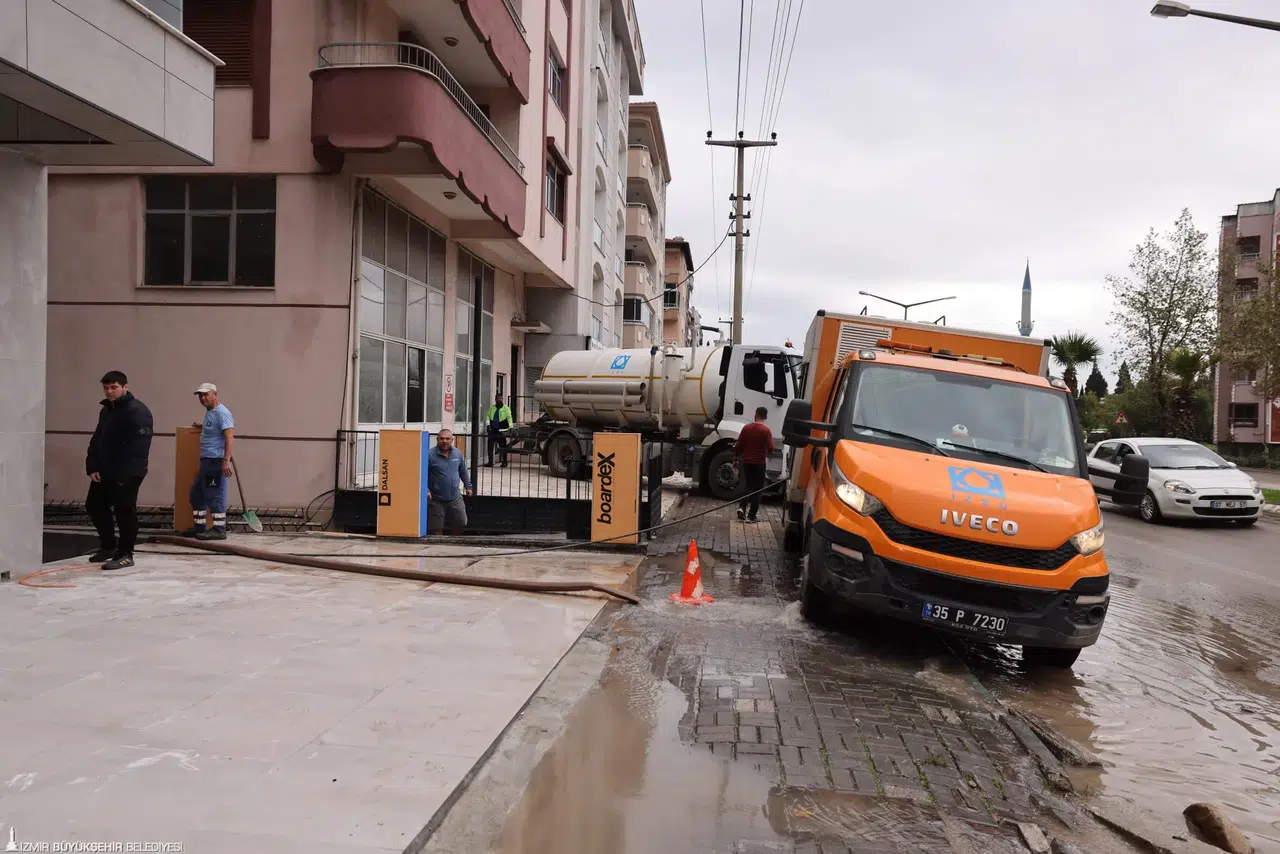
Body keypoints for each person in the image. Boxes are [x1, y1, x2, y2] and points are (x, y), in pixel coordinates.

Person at [85, 371, 154, 570]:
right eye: (106, 388)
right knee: (94, 505)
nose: (109, 392)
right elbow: (97, 440)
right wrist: (92, 466)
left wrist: (126, 474)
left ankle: (125, 554)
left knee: (125, 512)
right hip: (105, 471)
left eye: (114, 387)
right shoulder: (107, 410)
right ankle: (108, 546)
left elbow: (139, 446)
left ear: (125, 387)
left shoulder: (137, 411)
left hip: (127, 473)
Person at [182, 382, 235, 540]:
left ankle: (219, 529)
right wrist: (202, 426)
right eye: (200, 395)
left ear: (215, 394)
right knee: (197, 494)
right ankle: (199, 527)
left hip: (215, 461)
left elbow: (229, 437)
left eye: (206, 394)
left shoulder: (222, 413)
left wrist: (226, 460)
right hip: (206, 461)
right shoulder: (210, 412)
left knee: (214, 495)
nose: (203, 398)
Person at [734, 406, 775, 524]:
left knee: (747, 485)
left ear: (756, 414)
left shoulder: (746, 428)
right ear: (766, 417)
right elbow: (771, 448)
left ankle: (742, 507)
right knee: (757, 489)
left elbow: (739, 445)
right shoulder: (766, 431)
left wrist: (735, 458)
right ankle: (752, 516)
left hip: (747, 462)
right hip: (759, 463)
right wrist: (767, 452)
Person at [427, 429, 473, 535]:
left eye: (447, 438)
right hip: (436, 499)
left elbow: (463, 471)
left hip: (455, 497)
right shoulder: (430, 455)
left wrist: (468, 486)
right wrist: (426, 490)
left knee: (461, 522)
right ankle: (438, 547)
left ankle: (455, 542)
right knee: (435, 527)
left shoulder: (457, 453)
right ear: (437, 439)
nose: (445, 441)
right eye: (442, 438)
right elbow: (422, 474)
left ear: (452, 440)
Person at [484, 393, 514, 467]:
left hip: (501, 431)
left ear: (502, 399)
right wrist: (488, 425)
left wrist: (510, 427)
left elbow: (509, 418)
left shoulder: (506, 408)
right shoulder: (492, 408)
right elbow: (488, 416)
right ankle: (490, 462)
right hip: (492, 431)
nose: (499, 400)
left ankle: (504, 462)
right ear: (495, 399)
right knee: (490, 447)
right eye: (498, 398)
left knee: (503, 447)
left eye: (500, 398)